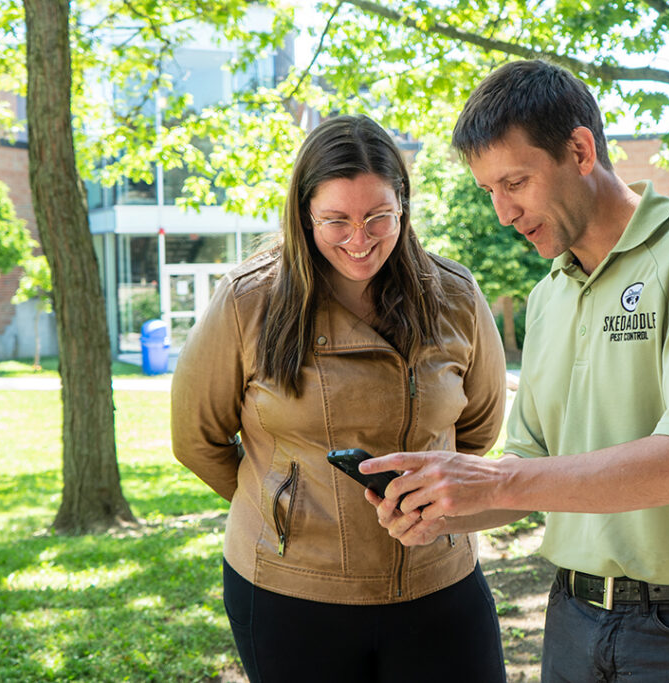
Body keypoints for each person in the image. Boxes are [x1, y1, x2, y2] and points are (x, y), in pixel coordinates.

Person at [360, 60, 669, 682]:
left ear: (580, 150)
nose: (504, 212)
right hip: (573, 617)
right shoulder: (548, 298)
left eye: (516, 182)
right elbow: (531, 473)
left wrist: (496, 483)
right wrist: (442, 509)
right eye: (490, 192)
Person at [171, 114, 509, 683]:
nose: (360, 240)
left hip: (440, 579)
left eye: (379, 217)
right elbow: (195, 438)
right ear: (305, 214)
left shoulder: (456, 297)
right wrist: (283, 505)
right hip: (290, 592)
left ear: (403, 203)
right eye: (337, 220)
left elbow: (477, 430)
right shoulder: (247, 301)